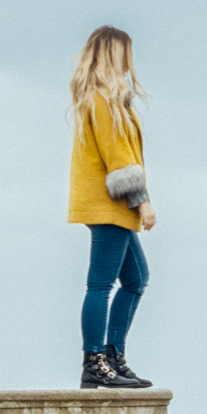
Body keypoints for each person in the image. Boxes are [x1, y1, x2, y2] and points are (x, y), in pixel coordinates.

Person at [68, 26, 157, 389]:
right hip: (110, 204)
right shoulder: (102, 101)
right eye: (124, 53)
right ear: (111, 55)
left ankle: (112, 355)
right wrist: (143, 201)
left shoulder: (107, 100)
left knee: (136, 279)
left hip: (111, 206)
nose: (128, 62)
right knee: (101, 284)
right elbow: (119, 158)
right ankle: (96, 360)